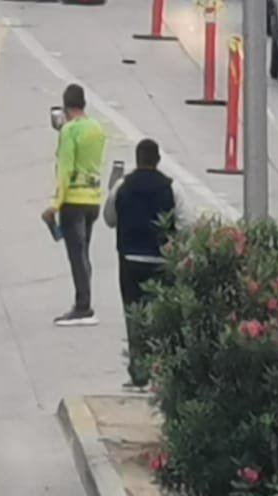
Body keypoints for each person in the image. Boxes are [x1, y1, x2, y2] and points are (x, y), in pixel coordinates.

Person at [103, 138, 184, 387]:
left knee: (134, 313)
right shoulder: (171, 188)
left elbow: (109, 218)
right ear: (158, 160)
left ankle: (138, 373)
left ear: (137, 160)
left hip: (130, 259)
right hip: (161, 260)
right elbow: (185, 223)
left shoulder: (123, 186)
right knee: (161, 315)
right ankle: (161, 371)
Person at [43, 84, 107, 327]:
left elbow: (65, 169)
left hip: (74, 201)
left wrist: (55, 205)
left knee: (76, 255)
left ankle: (83, 306)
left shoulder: (69, 131)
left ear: (66, 106)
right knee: (84, 252)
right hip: (93, 200)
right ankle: (84, 300)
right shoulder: (97, 128)